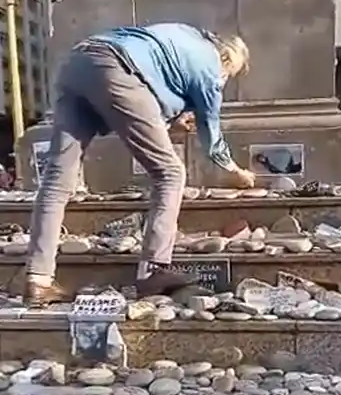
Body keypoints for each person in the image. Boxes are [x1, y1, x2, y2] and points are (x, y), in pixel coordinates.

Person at [24, 23, 256, 306]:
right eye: (229, 74)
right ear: (227, 59)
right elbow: (210, 130)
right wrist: (234, 171)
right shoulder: (211, 64)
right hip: (115, 66)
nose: (224, 80)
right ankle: (153, 270)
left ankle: (38, 280)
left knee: (57, 179)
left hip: (77, 63)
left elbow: (146, 91)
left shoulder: (184, 36)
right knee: (170, 173)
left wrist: (171, 121)